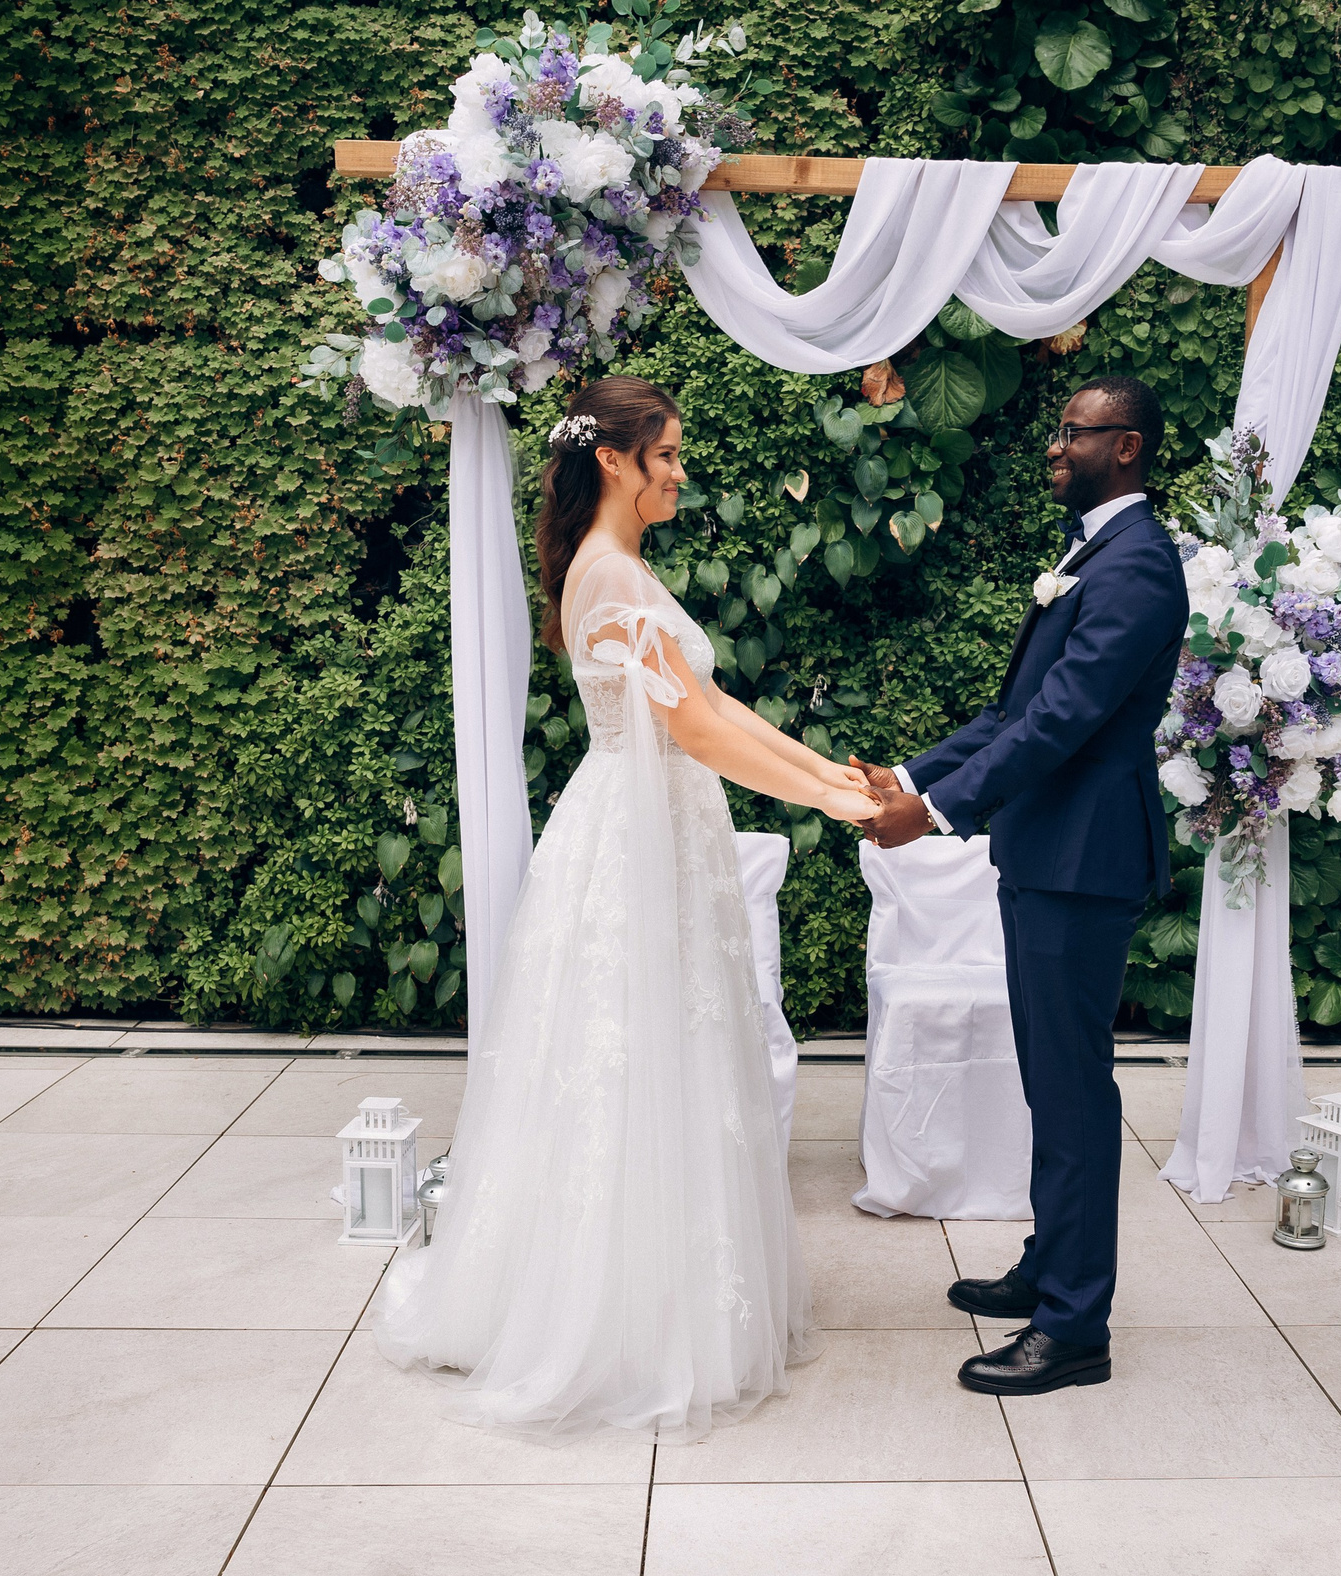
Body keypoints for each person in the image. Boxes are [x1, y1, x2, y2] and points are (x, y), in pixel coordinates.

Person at [373, 376, 881, 1441]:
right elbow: (692, 729)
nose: (680, 472)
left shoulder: (620, 572)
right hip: (633, 836)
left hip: (656, 826)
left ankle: (660, 1294)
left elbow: (718, 706)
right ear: (614, 460)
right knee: (626, 1057)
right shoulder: (606, 582)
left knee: (663, 1053)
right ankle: (615, 1316)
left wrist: (827, 773)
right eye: (668, 455)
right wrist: (826, 801)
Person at [859, 376, 1189, 1396]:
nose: (1053, 446)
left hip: (1082, 862)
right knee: (1051, 1078)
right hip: (1049, 853)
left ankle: (1074, 1327)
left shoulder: (1134, 566)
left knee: (1074, 1091)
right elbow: (1019, 709)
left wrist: (938, 814)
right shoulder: (1094, 552)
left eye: (1072, 433)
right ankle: (1052, 1267)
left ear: (1125, 447)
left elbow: (1063, 724)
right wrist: (911, 774)